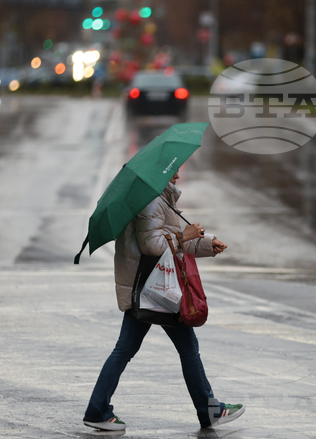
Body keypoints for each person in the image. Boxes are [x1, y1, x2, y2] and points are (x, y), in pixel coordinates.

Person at [83, 166, 245, 432]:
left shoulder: (157, 198)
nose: (177, 176)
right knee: (185, 348)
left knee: (129, 350)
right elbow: (154, 246)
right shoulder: (151, 202)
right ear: (159, 173)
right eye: (173, 172)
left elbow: (173, 242)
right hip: (156, 288)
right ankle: (209, 411)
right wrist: (185, 235)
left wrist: (207, 242)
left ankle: (97, 409)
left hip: (149, 287)